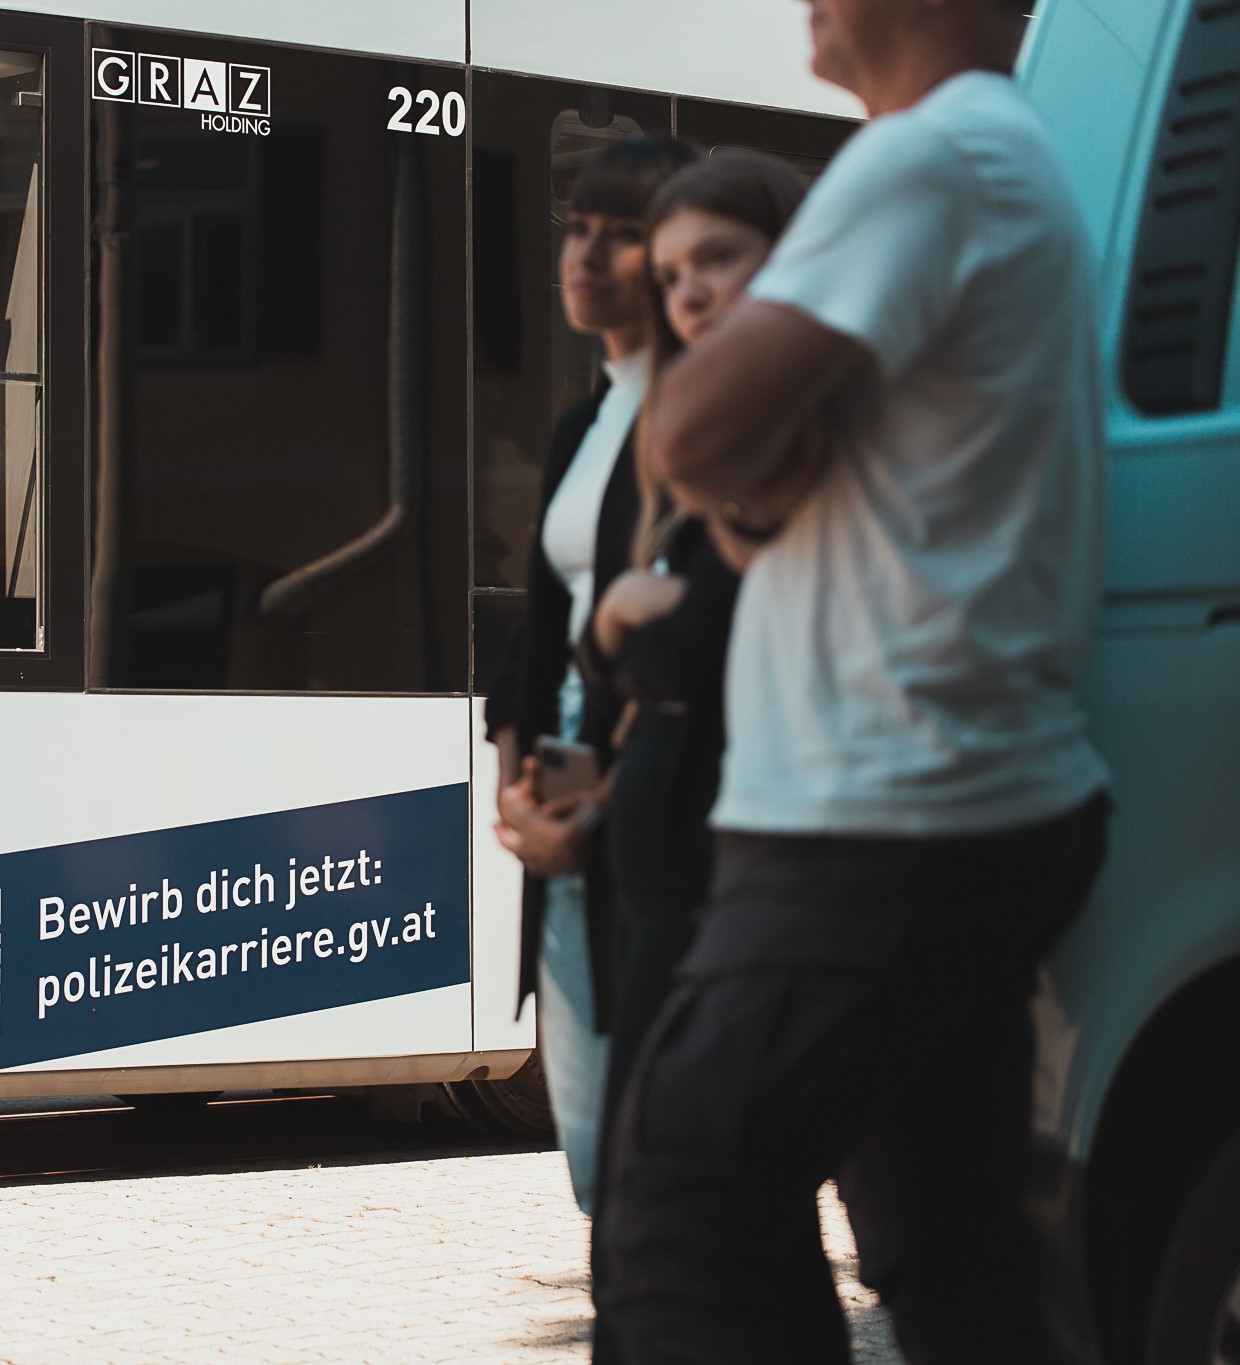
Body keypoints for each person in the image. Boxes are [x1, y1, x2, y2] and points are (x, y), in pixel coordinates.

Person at [597, 1, 1111, 1362]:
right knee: (950, 1267)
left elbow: (697, 426)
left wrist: (730, 453)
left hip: (877, 815)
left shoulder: (921, 159)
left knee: (680, 1218)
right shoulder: (1008, 153)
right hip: (957, 800)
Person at [573, 152, 806, 1365]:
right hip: (653, 850)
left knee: (676, 1208)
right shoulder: (677, 424)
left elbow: (707, 633)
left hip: (723, 857)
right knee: (679, 1206)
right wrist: (616, 630)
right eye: (672, 273)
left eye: (719, 257)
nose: (692, 291)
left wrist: (622, 620)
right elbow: (624, 644)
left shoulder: (778, 412)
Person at [489, 137, 698, 1216]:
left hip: (653, 796)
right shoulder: (581, 423)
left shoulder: (703, 415)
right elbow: (538, 623)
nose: (585, 252)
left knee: (660, 1170)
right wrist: (511, 770)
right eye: (577, 225)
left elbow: (710, 645)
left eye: (623, 231)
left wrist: (603, 804)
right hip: (567, 796)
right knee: (592, 1168)